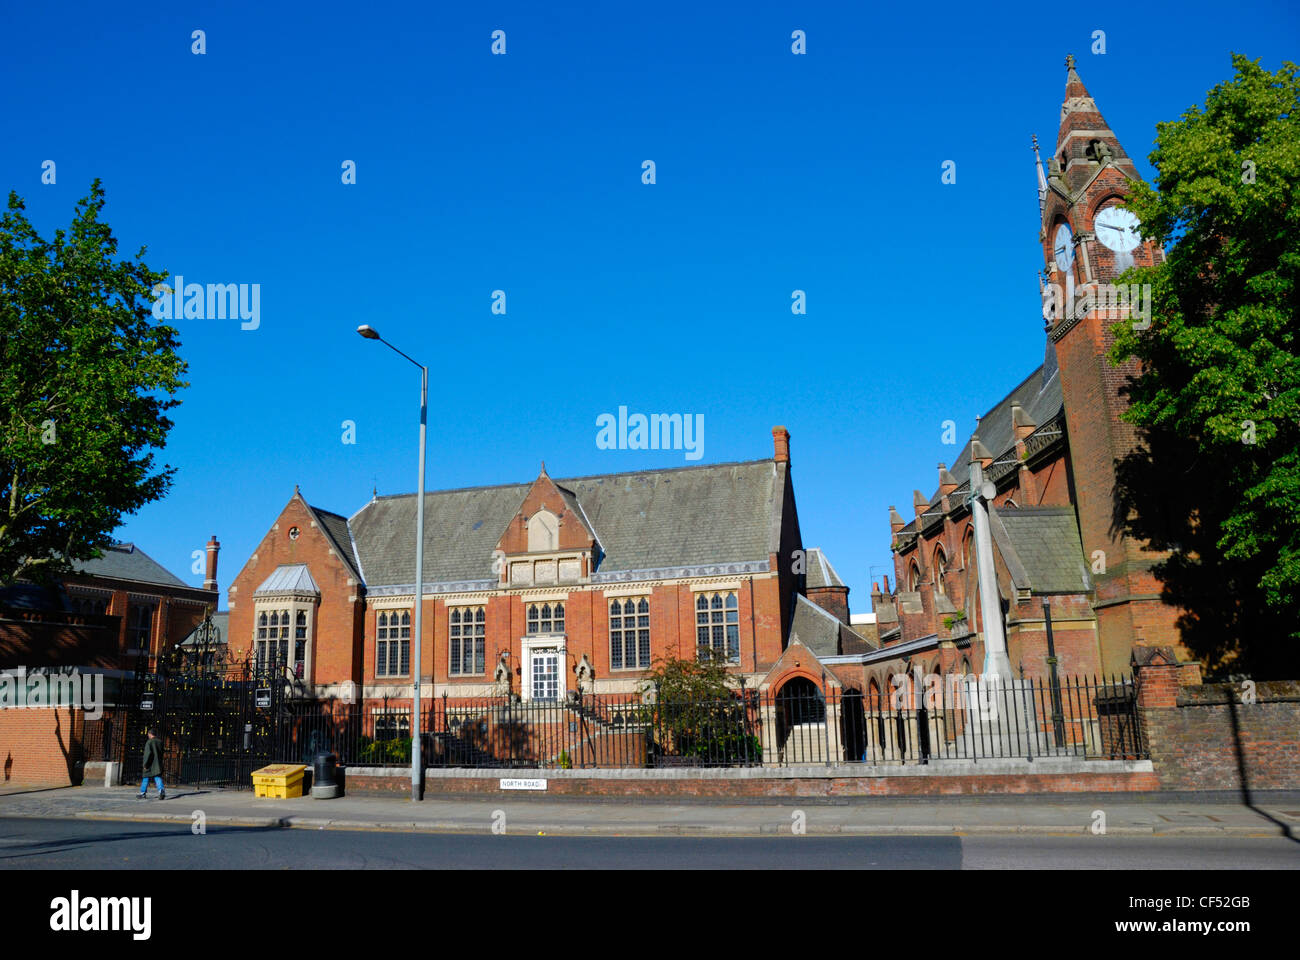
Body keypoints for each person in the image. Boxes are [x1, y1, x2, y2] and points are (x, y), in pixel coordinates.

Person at [138, 728, 165, 800]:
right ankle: (161, 791)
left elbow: (148, 754)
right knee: (157, 777)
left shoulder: (149, 742)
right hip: (157, 763)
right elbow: (162, 752)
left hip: (149, 763)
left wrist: (145, 764)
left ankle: (143, 793)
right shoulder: (160, 742)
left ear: (150, 734)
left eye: (148, 734)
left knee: (145, 777)